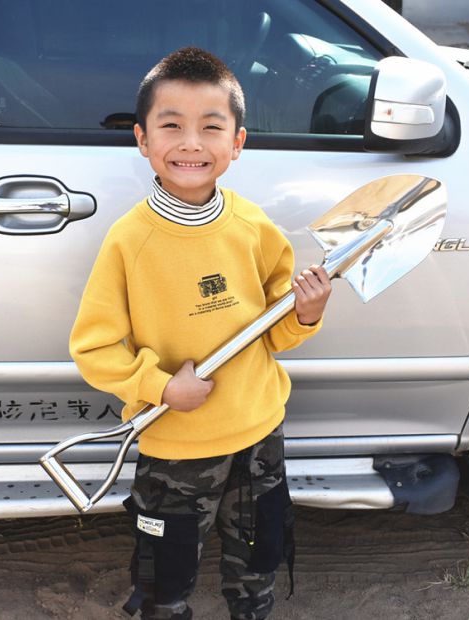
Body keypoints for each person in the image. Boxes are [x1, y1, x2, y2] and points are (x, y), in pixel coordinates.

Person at [70, 47, 332, 620]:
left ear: (237, 144)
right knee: (165, 571)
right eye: (172, 126)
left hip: (258, 431)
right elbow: (94, 347)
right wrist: (161, 388)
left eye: (211, 128)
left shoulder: (253, 227)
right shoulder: (130, 241)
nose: (191, 143)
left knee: (259, 554)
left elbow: (276, 330)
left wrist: (306, 313)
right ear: (142, 139)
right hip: (177, 446)